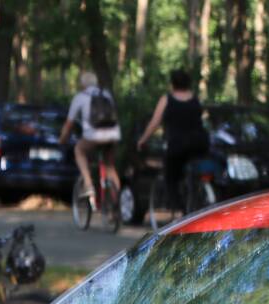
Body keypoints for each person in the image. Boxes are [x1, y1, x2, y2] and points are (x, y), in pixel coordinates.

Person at [136, 69, 211, 209]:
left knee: (170, 176)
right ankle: (197, 192)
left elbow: (155, 123)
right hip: (199, 143)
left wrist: (143, 139)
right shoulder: (195, 99)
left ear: (172, 84)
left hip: (178, 145)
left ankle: (180, 208)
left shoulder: (167, 100)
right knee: (194, 168)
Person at [59, 71, 123, 206]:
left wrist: (62, 140)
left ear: (82, 84)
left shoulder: (80, 97)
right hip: (113, 135)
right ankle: (117, 205)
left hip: (94, 136)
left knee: (79, 150)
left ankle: (88, 184)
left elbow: (68, 124)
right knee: (110, 166)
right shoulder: (106, 94)